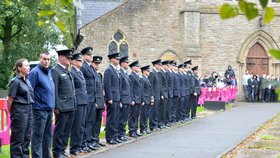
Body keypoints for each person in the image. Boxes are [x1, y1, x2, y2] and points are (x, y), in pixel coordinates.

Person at [28, 51, 55, 158]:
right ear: (40, 59)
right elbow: (29, 91)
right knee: (37, 137)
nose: (46, 61)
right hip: (39, 110)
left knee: (48, 137)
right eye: (44, 59)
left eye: (48, 59)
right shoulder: (35, 72)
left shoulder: (48, 72)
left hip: (49, 110)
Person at [7, 58, 34, 158]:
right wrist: (12, 113)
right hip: (19, 111)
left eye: (28, 65)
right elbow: (9, 100)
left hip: (29, 110)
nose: (29, 68)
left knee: (27, 137)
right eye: (26, 65)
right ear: (19, 68)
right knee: (18, 138)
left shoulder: (27, 81)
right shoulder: (15, 82)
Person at [52, 49, 76, 158]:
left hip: (70, 105)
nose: (70, 60)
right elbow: (54, 90)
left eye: (71, 58)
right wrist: (56, 106)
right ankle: (57, 151)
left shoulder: (67, 71)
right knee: (60, 131)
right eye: (68, 58)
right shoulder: (55, 71)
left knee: (66, 131)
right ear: (61, 57)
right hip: (62, 106)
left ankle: (62, 149)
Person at [69, 53, 89, 156]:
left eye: (81, 60)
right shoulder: (71, 72)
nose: (81, 62)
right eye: (79, 60)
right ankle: (74, 147)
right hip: (78, 102)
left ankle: (80, 145)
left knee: (82, 125)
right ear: (73, 61)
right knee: (76, 126)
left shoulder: (80, 72)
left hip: (84, 101)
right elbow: (73, 89)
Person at [80, 47, 98, 151]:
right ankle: (83, 143)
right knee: (85, 122)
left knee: (90, 121)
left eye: (91, 55)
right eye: (89, 55)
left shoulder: (90, 67)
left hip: (92, 99)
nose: (91, 56)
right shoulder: (83, 67)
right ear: (83, 56)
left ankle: (87, 141)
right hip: (86, 98)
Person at [104, 53, 121, 144]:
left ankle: (115, 136)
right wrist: (109, 97)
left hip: (117, 98)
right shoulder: (108, 70)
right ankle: (110, 137)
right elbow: (107, 85)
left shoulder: (116, 70)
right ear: (111, 59)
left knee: (116, 118)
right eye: (116, 59)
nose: (118, 60)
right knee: (111, 118)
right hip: (112, 98)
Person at [91, 55, 106, 147]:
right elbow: (94, 90)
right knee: (92, 122)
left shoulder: (99, 75)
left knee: (98, 122)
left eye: (98, 63)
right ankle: (92, 140)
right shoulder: (92, 74)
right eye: (96, 63)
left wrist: (102, 102)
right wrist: (95, 102)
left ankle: (96, 139)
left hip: (100, 102)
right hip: (95, 102)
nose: (97, 65)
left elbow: (101, 90)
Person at [118, 56, 132, 141]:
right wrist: (120, 100)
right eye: (126, 63)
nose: (128, 64)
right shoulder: (120, 73)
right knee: (121, 118)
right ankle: (120, 134)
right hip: (123, 99)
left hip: (127, 99)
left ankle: (122, 133)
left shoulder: (125, 73)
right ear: (122, 63)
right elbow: (119, 87)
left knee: (125, 118)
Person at [128, 60, 143, 137]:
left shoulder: (137, 76)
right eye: (137, 66)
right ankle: (131, 131)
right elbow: (131, 89)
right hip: (135, 99)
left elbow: (140, 89)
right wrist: (132, 99)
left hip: (138, 99)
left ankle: (135, 130)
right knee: (132, 116)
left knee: (137, 116)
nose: (139, 68)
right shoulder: (131, 76)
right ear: (133, 68)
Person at [140, 65, 154, 134]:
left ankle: (145, 126)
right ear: (144, 71)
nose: (149, 72)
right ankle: (143, 128)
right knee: (143, 115)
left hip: (148, 99)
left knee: (146, 114)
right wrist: (142, 100)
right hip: (145, 99)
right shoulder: (142, 79)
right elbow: (141, 90)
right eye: (148, 71)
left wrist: (151, 99)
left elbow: (149, 90)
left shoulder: (147, 79)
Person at [148, 59, 161, 131]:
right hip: (154, 95)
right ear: (155, 65)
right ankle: (152, 126)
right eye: (159, 65)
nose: (160, 66)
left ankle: (155, 124)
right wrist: (152, 96)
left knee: (156, 111)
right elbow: (151, 86)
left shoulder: (157, 73)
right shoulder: (152, 73)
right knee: (153, 111)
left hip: (157, 95)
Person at [157, 60, 168, 129]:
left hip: (165, 93)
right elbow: (160, 85)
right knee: (161, 110)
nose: (168, 67)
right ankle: (160, 123)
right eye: (166, 65)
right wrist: (162, 94)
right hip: (162, 94)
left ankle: (162, 122)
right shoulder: (160, 73)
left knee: (164, 109)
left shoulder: (163, 72)